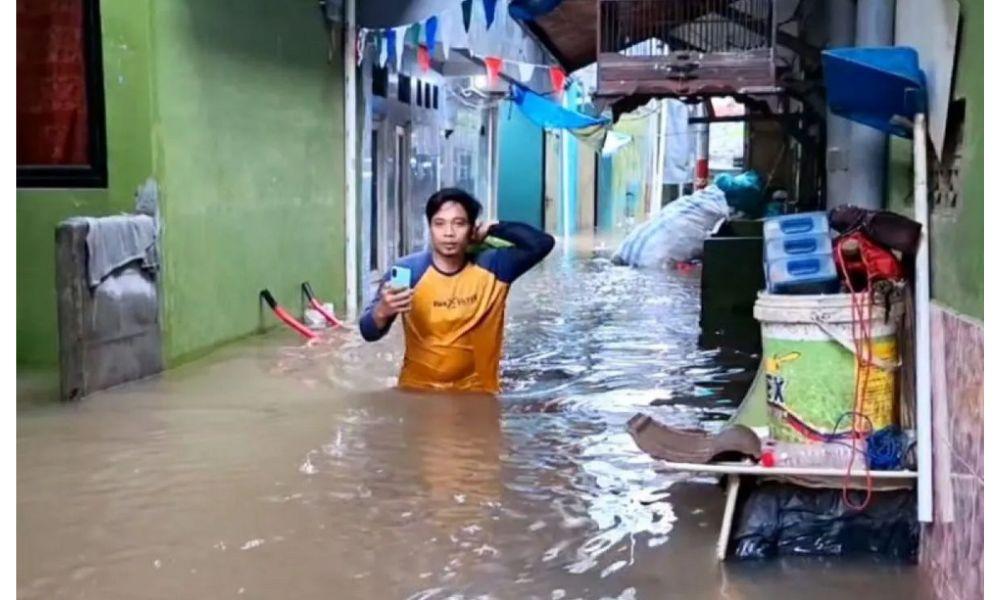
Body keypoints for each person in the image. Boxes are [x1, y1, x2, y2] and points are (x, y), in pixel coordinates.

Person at [360, 188, 554, 394]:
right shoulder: (408, 271)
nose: (449, 233)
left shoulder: (496, 267)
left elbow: (542, 243)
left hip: (479, 393)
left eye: (459, 223)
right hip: (418, 392)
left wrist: (492, 228)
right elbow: (368, 333)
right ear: (430, 227)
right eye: (439, 223)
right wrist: (382, 311)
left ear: (472, 229)